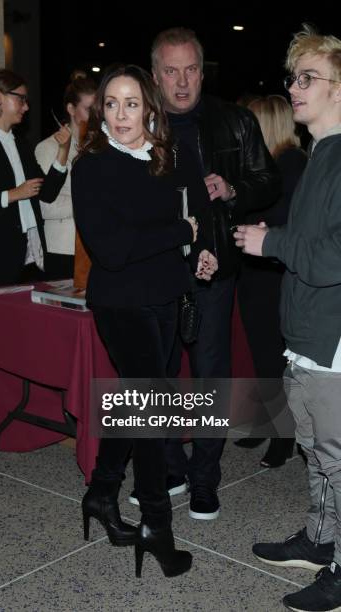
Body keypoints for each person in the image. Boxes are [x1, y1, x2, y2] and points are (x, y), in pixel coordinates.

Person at [71, 63, 217, 578]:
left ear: (149, 107)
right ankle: (157, 523)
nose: (120, 114)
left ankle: (101, 493)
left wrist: (200, 249)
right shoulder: (92, 165)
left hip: (167, 297)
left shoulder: (165, 157)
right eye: (110, 103)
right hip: (120, 303)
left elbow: (196, 211)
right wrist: (179, 231)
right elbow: (111, 251)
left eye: (131, 102)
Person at [149, 27, 281, 520]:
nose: (181, 82)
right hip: (155, 268)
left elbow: (267, 181)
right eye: (170, 70)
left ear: (202, 71)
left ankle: (205, 477)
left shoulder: (236, 120)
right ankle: (170, 465)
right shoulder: (138, 122)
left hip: (214, 269)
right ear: (155, 74)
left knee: (208, 375)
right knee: (155, 374)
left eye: (190, 70)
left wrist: (232, 189)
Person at [235, 24, 341, 612]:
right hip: (308, 332)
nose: (296, 88)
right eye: (292, 77)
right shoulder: (321, 154)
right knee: (319, 451)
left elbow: (333, 255)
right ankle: (322, 540)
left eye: (310, 78)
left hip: (332, 335)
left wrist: (270, 241)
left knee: (338, 454)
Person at [235, 95, 307, 467]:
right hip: (255, 272)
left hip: (273, 275)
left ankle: (284, 435)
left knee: (272, 357)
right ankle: (266, 423)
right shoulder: (269, 165)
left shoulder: (291, 164)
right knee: (261, 355)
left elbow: (286, 221)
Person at [0, 69, 70, 289]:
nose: (26, 107)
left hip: (28, 257)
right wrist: (13, 194)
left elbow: (46, 193)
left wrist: (63, 150)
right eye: (21, 99)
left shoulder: (21, 144)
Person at [35, 74, 96, 280]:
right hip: (62, 248)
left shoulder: (99, 147)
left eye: (99, 109)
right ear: (71, 109)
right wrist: (88, 203)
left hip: (95, 246)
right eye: (89, 109)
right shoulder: (47, 148)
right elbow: (45, 207)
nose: (97, 115)